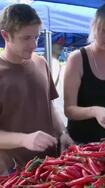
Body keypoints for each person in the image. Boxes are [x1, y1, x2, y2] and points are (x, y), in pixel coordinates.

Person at [0, 4, 73, 175]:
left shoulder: (41, 63)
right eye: (26, 38)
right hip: (15, 172)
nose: (33, 44)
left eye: (36, 36)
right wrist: (24, 139)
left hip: (52, 165)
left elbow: (49, 106)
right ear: (5, 35)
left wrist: (63, 132)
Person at [64, 3, 105, 144]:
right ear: (94, 27)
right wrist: (95, 111)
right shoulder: (77, 58)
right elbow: (69, 109)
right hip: (80, 142)